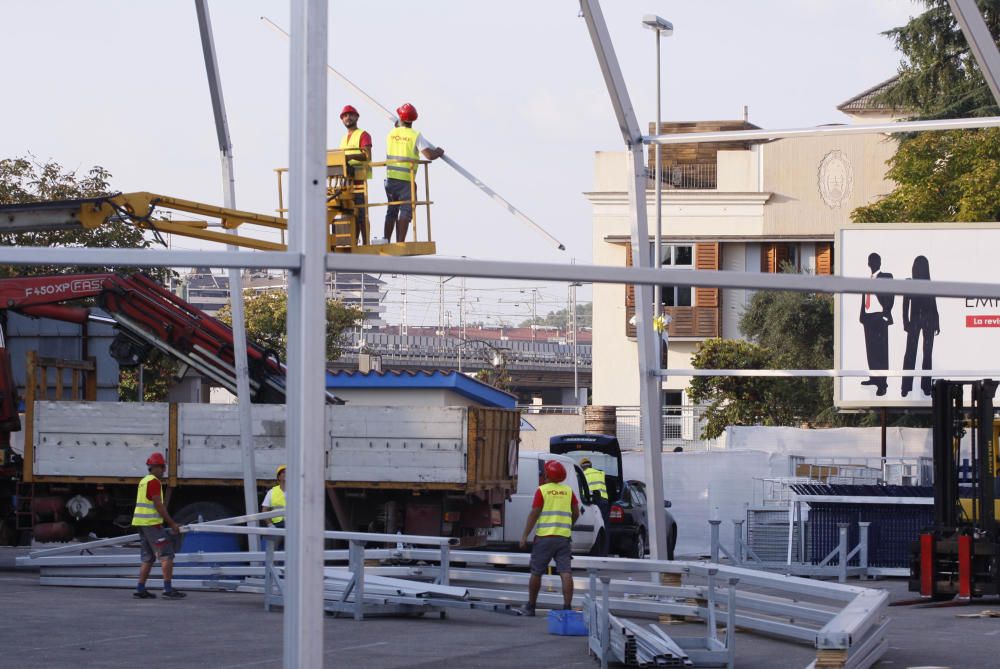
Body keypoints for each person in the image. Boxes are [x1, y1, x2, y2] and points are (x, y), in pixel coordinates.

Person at [519, 460, 579, 617]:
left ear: (547, 474)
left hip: (544, 538)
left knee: (537, 572)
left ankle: (531, 606)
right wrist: (568, 526)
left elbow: (534, 513)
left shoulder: (542, 491)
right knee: (565, 572)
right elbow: (576, 512)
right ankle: (567, 608)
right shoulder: (568, 491)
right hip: (563, 538)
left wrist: (525, 535)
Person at [383, 103, 444, 243]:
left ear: (400, 117)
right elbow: (429, 155)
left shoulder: (392, 133)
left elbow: (398, 130)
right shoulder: (415, 135)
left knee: (391, 210)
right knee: (405, 210)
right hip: (406, 179)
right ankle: (400, 241)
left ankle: (386, 240)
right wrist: (439, 152)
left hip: (391, 179)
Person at [132, 452, 185, 599]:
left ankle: (140, 588)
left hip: (142, 524)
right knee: (167, 555)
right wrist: (172, 524)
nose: (164, 470)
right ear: (155, 467)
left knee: (148, 557)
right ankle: (168, 590)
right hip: (152, 524)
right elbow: (159, 506)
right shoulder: (154, 482)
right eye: (162, 467)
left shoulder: (143, 481)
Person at [901, 255, 939, 397]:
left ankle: (926, 386)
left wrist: (937, 321)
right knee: (911, 352)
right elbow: (905, 305)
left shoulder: (929, 283)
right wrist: (906, 322)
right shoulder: (910, 283)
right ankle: (906, 386)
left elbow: (933, 302)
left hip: (928, 320)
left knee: (926, 354)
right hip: (915, 321)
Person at [859, 252, 894, 396]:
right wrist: (862, 316)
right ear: (868, 264)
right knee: (871, 350)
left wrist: (886, 312)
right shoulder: (867, 280)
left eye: (876, 261)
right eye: (871, 261)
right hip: (868, 318)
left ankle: (882, 384)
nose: (873, 263)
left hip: (880, 316)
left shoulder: (887, 276)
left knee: (881, 352)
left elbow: (891, 295)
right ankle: (874, 378)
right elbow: (864, 298)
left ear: (879, 263)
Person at [338, 105, 372, 246]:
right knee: (349, 213)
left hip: (359, 179)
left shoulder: (363, 134)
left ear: (357, 117)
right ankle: (352, 241)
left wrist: (347, 157)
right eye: (345, 115)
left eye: (351, 114)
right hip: (346, 181)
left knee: (361, 213)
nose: (348, 117)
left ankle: (365, 243)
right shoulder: (343, 139)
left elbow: (367, 155)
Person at [580, 457, 609, 555]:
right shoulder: (600, 473)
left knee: (592, 526)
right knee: (604, 527)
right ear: (590, 466)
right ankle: (604, 552)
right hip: (603, 501)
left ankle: (593, 551)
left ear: (582, 467)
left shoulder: (582, 475)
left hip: (590, 502)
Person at [262, 465, 286, 529]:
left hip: (293, 524)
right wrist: (270, 525)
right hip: (277, 525)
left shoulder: (296, 490)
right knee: (266, 539)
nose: (286, 474)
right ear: (278, 477)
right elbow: (264, 510)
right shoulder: (271, 492)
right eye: (283, 472)